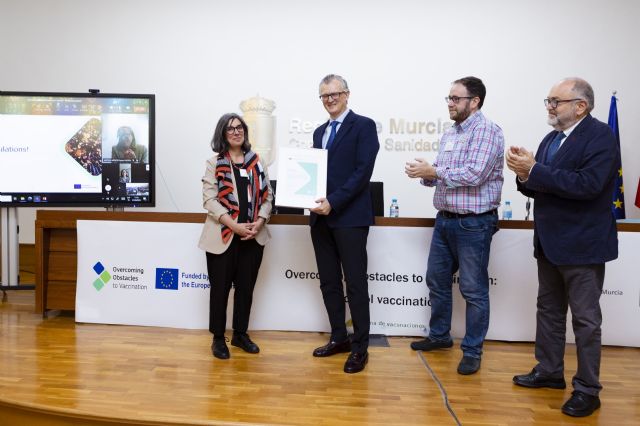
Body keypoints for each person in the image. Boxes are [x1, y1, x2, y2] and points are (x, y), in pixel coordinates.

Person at [506, 78, 618, 417]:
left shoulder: (600, 136)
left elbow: (588, 185)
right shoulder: (552, 138)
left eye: (556, 101)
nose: (550, 106)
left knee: (585, 320)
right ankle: (550, 371)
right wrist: (524, 174)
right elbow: (539, 188)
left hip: (583, 244)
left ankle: (587, 389)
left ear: (580, 106)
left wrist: (535, 170)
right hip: (550, 243)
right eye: (548, 100)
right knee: (549, 311)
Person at [405, 76, 504, 375]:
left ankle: (472, 350)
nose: (449, 103)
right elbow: (444, 174)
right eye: (448, 98)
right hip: (445, 220)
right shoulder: (450, 133)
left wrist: (434, 170)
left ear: (474, 101)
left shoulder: (487, 131)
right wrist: (426, 174)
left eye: (455, 98)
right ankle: (439, 336)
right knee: (436, 280)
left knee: (473, 290)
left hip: (474, 223)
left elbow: (474, 174)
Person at [309, 74, 379, 374]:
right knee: (328, 283)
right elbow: (312, 173)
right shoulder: (319, 132)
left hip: (349, 218)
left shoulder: (364, 126)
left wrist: (333, 201)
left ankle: (360, 347)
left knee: (355, 283)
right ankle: (339, 337)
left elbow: (362, 173)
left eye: (334, 93)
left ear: (347, 94)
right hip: (320, 219)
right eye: (324, 95)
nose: (329, 99)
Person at [198, 113, 273, 360]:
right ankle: (219, 338)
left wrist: (260, 222)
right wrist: (235, 225)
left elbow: (268, 196)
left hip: (253, 235)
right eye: (230, 129)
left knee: (245, 289)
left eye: (239, 128)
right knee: (220, 289)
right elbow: (209, 200)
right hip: (224, 235)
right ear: (223, 134)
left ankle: (240, 334)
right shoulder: (214, 163)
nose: (236, 132)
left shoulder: (257, 162)